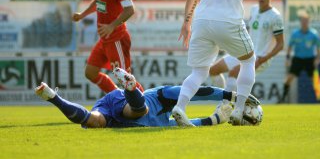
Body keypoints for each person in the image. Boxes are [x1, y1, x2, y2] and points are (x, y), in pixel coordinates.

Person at [173, 0, 269, 126]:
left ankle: (180, 107)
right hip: (226, 19)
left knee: (199, 71)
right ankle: (239, 110)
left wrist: (186, 23)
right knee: (248, 60)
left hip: (201, 21)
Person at [34, 67, 237, 128]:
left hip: (114, 115)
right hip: (124, 101)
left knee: (93, 121)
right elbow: (198, 92)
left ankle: (52, 97)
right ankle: (131, 88)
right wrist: (229, 95)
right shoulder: (163, 94)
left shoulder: (167, 124)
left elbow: (190, 123)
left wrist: (215, 119)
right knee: (140, 111)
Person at [72, 0, 139, 93]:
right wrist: (82, 15)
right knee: (90, 72)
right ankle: (117, 98)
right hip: (104, 40)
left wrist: (112, 26)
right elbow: (98, 2)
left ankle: (147, 106)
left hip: (117, 39)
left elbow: (130, 10)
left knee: (126, 80)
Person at [209, 0, 284, 92]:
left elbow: (280, 44)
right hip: (245, 52)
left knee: (233, 73)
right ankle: (228, 98)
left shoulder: (275, 16)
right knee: (213, 70)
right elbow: (248, 32)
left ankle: (226, 105)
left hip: (259, 58)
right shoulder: (254, 10)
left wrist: (263, 59)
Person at [280, 13, 320, 103]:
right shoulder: (295, 34)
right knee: (289, 78)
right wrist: (288, 59)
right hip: (298, 58)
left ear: (309, 22)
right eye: (303, 21)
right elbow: (290, 47)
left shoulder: (313, 34)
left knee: (315, 80)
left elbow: (319, 48)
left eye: (306, 21)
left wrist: (317, 59)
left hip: (310, 59)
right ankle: (283, 98)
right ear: (300, 22)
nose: (304, 23)